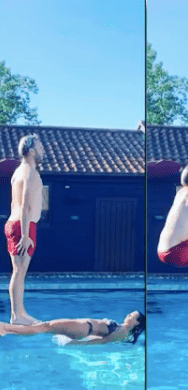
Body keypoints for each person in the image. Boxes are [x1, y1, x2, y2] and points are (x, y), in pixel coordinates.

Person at [5, 134, 45, 325]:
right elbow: (24, 206)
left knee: (19, 271)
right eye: (40, 146)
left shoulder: (19, 172)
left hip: (20, 225)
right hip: (23, 226)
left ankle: (20, 312)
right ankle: (16, 316)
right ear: (31, 150)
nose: (43, 149)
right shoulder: (29, 172)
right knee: (19, 271)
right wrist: (24, 235)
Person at [0, 310, 145, 346]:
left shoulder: (124, 331)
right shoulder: (122, 330)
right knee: (43, 326)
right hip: (83, 328)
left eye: (132, 314)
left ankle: (6, 328)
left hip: (83, 328)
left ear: (137, 323)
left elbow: (102, 341)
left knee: (44, 327)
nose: (129, 314)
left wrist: (77, 344)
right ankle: (10, 328)